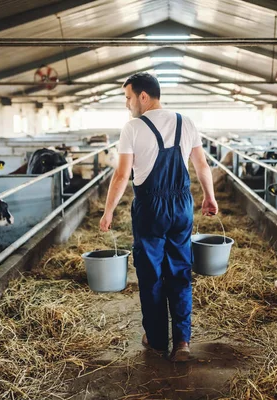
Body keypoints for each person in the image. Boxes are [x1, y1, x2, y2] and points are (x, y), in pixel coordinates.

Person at [99, 72, 218, 362]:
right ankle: (182, 343)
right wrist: (209, 197)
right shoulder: (185, 122)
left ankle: (156, 339)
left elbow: (121, 174)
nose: (127, 105)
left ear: (143, 96)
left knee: (151, 275)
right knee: (179, 271)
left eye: (128, 98)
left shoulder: (133, 128)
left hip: (150, 208)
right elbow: (202, 166)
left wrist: (108, 210)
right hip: (181, 206)